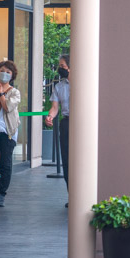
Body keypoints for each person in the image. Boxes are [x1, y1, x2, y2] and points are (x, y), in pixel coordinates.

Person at [0, 61, 19, 208]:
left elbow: (7, 107)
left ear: (12, 76)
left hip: (8, 132)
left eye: (8, 72)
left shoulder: (15, 92)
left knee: (5, 164)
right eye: (2, 71)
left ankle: (1, 194)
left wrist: (0, 93)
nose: (5, 74)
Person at [46, 55, 71, 205]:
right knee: (67, 161)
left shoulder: (85, 84)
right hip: (66, 123)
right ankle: (72, 196)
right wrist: (50, 116)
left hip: (83, 124)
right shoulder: (59, 87)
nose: (60, 69)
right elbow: (55, 107)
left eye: (62, 66)